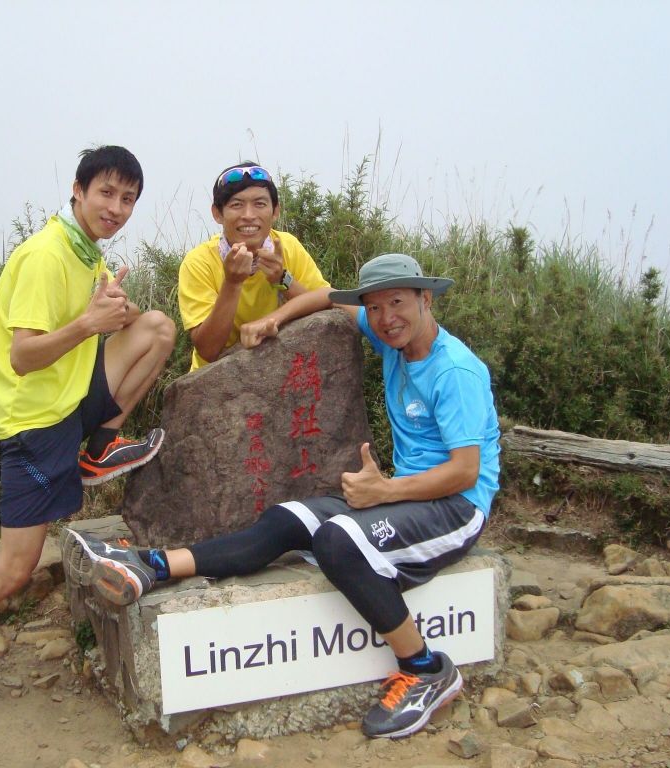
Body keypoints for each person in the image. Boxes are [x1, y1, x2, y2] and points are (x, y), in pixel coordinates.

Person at [66, 253, 500, 740]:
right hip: (404, 499)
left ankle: (423, 668)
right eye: (375, 308)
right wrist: (274, 314)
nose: (385, 317)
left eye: (397, 303)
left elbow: (465, 472)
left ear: (425, 298)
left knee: (338, 541)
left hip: (456, 508)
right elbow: (330, 298)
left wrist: (385, 490)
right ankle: (155, 565)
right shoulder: (389, 335)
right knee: (287, 519)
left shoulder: (455, 372)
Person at [0, 146, 176, 713]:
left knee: (154, 328)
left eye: (128, 199)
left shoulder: (85, 252)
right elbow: (23, 356)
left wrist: (112, 317)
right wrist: (89, 324)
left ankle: (99, 447)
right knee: (15, 568)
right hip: (33, 424)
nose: (117, 208)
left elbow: (93, 329)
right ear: (77, 190)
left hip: (70, 401)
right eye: (107, 193)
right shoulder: (46, 254)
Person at [177, 161, 331, 371]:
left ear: (275, 211)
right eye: (236, 204)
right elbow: (208, 350)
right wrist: (232, 283)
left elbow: (325, 300)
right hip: (213, 380)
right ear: (217, 214)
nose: (249, 215)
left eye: (260, 204)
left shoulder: (287, 247)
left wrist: (282, 279)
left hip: (282, 369)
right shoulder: (199, 262)